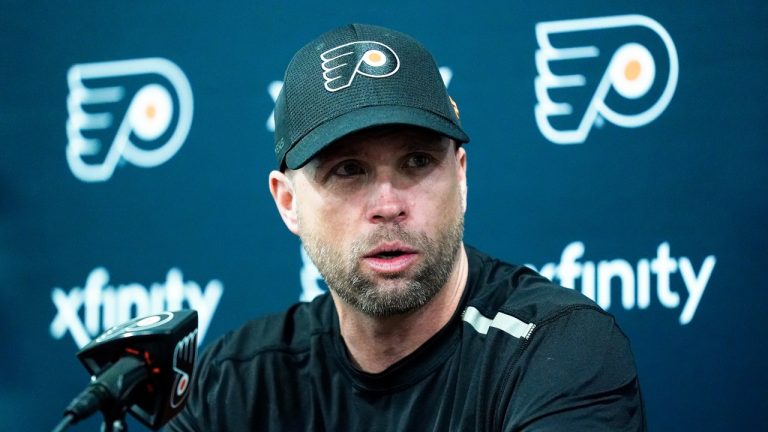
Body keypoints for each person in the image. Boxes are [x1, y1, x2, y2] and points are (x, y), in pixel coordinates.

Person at [167, 23, 646, 431]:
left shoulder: (556, 349)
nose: (388, 204)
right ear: (288, 202)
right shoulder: (233, 380)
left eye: (416, 161)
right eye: (348, 170)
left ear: (461, 175)